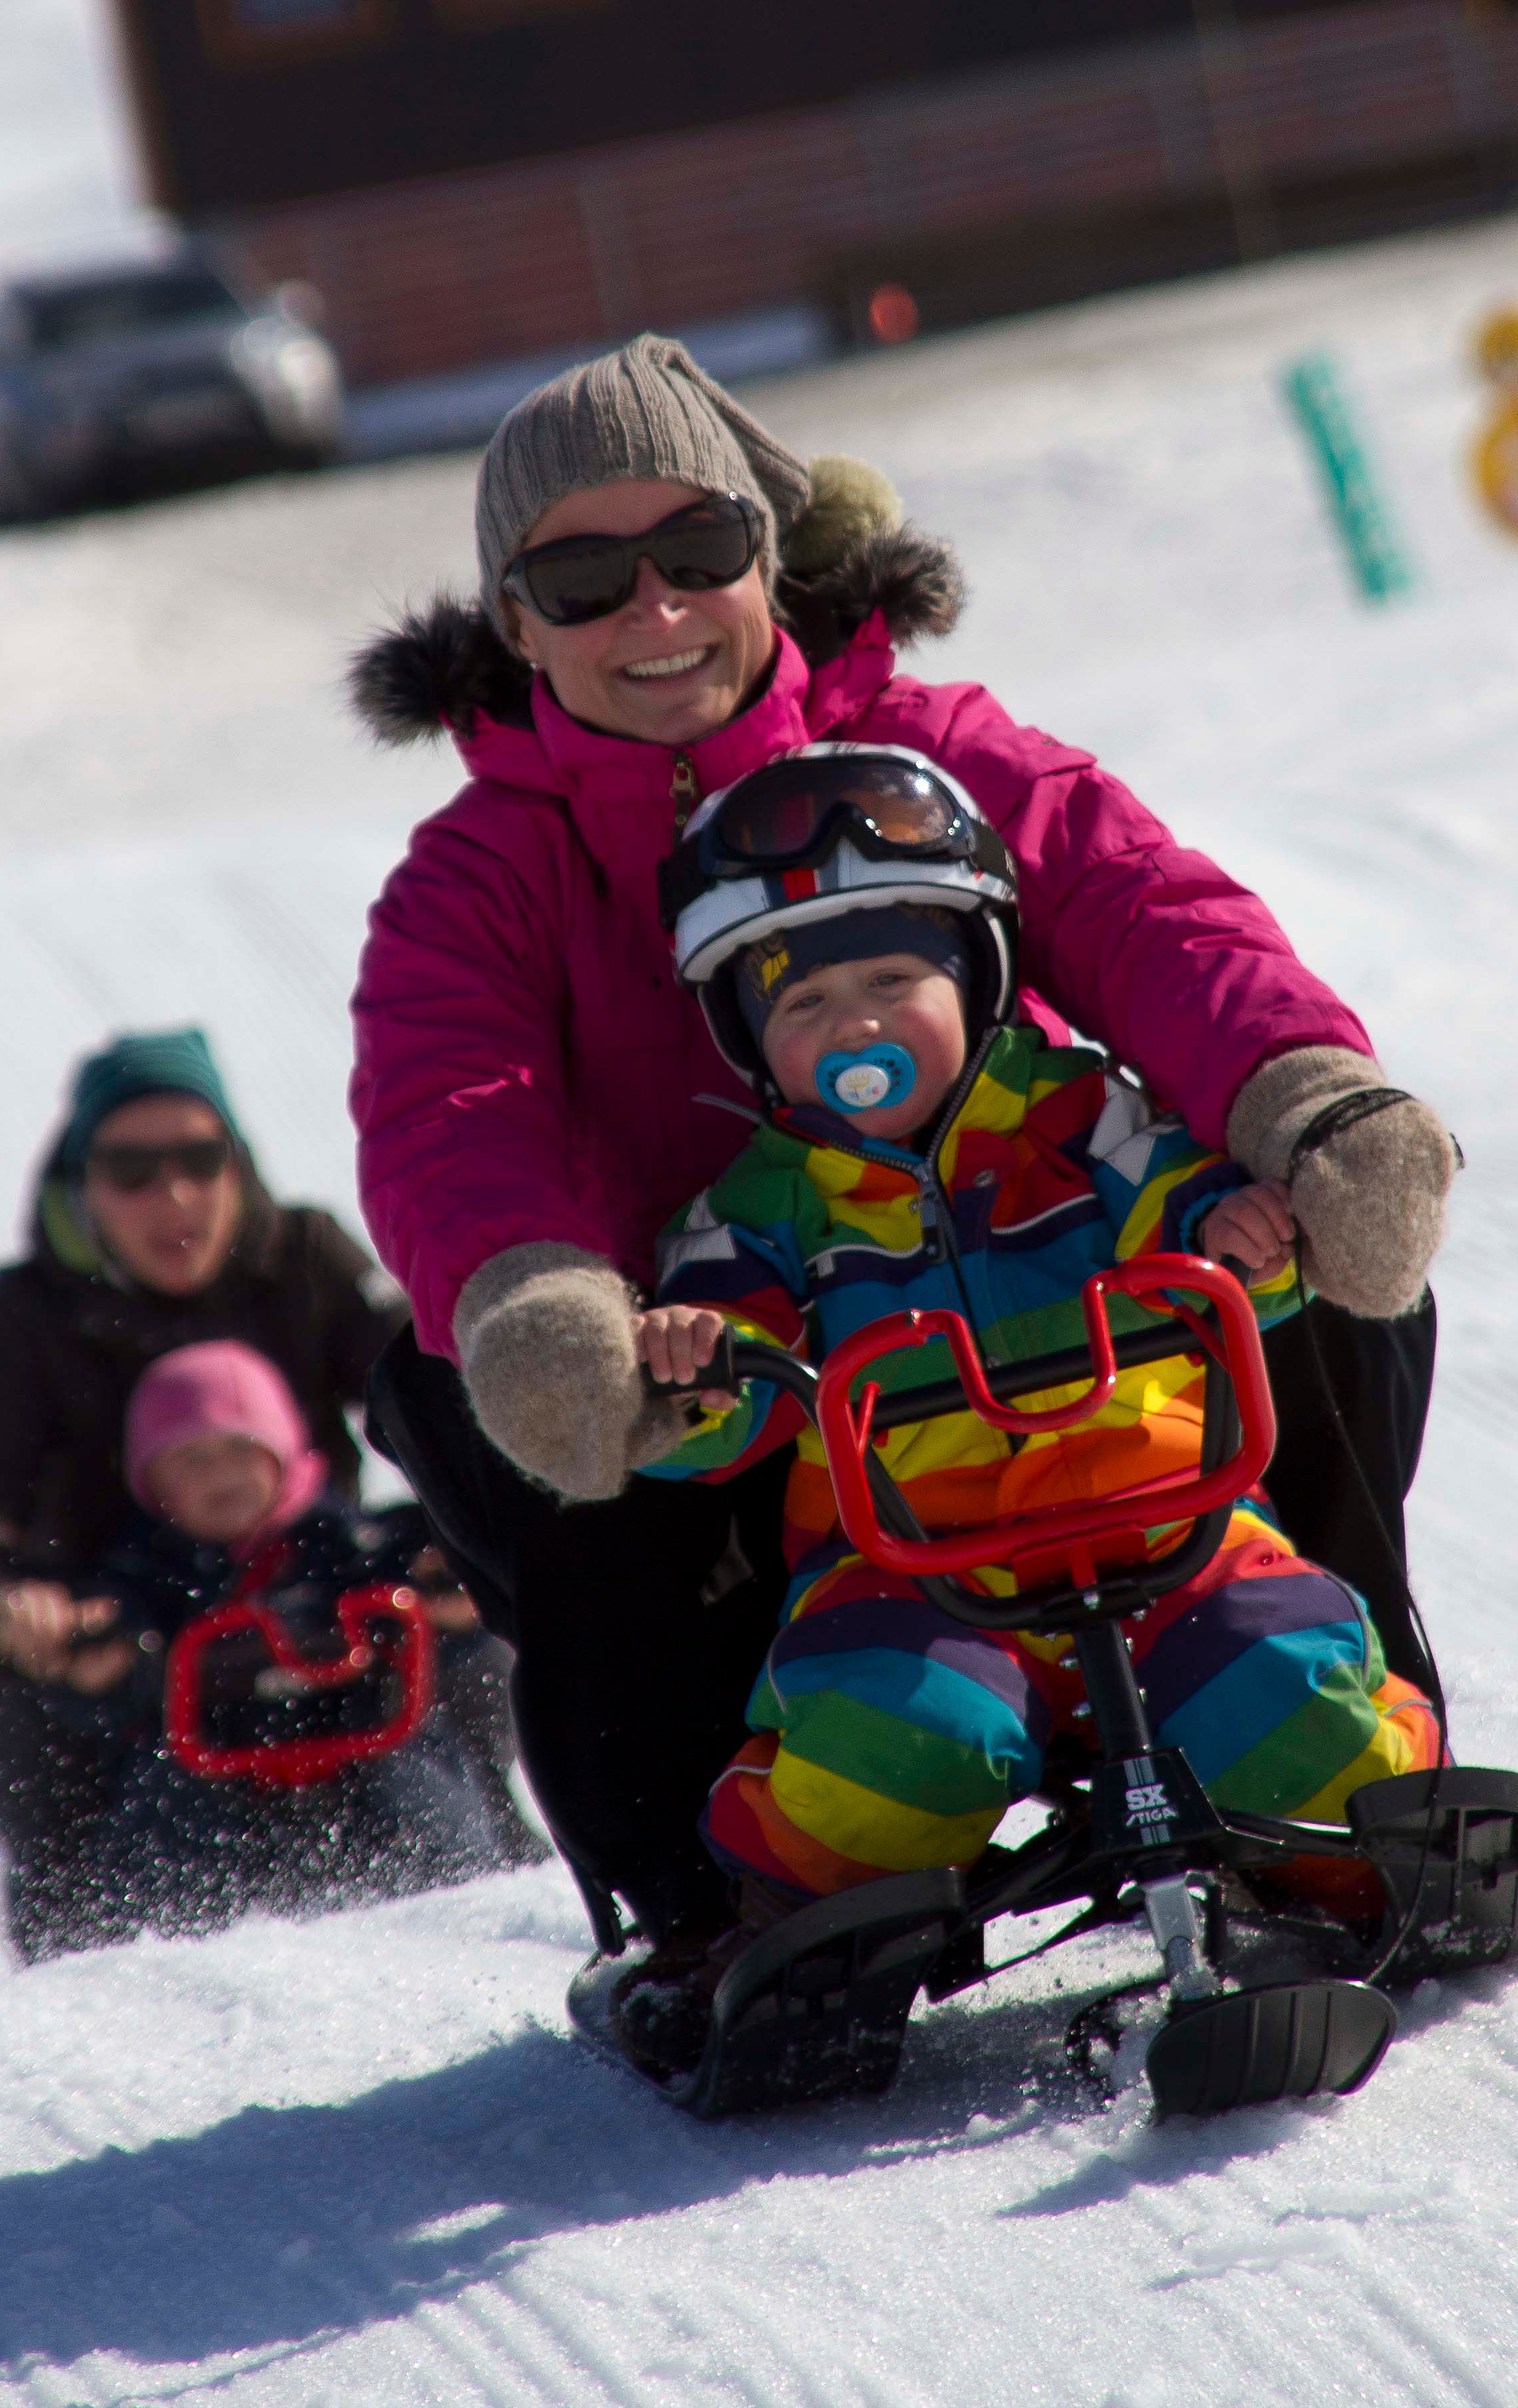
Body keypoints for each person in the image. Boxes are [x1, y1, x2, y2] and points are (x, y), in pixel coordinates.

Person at [350, 333, 1460, 1962]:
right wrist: (544, 1309)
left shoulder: (923, 746)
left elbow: (1141, 910)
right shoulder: (480, 873)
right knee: (495, 1394)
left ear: (763, 555)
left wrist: (1302, 1098)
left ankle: (1334, 1757)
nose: (650, 614)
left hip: (1033, 1282)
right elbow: (454, 1104)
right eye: (582, 578)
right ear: (512, 623)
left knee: (1314, 1258)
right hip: (725, 1355)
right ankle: (712, 1901)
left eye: (694, 554)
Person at [605, 749, 1442, 2053]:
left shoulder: (1082, 1115)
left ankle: (1373, 1858)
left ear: (975, 973)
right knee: (899, 1742)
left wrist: (1234, 1234)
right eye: (809, 1000)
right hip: (914, 1568)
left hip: (1169, 1523)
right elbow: (722, 1384)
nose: (858, 1027)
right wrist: (690, 1366)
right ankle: (786, 1928)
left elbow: (1179, 1206)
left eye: (893, 981)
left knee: (1279, 1695)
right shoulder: (762, 1206)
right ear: (748, 1035)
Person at [0, 1025, 419, 1959]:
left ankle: (490, 1886)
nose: (172, 1194)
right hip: (127, 1636)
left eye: (197, 1159)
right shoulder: (35, 1314)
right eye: (132, 1171)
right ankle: (86, 1952)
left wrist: (479, 1523)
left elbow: (423, 1391)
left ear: (238, 1163)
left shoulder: (302, 1255)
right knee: (5, 1672)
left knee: (465, 1593)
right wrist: (6, 1606)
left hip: (310, 1610)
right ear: (84, 1186)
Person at [25, 1342, 541, 1946]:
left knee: (424, 1783)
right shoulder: (144, 1573)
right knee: (160, 1810)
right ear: (154, 1482)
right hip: (214, 1764)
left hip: (363, 1739)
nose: (221, 1474)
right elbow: (122, 1662)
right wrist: (102, 1669)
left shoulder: (350, 1542)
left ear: (282, 1454)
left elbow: (424, 1602)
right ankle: (153, 1948)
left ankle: (468, 1911)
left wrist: (446, 1590)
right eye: (191, 1460)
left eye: (241, 1450)